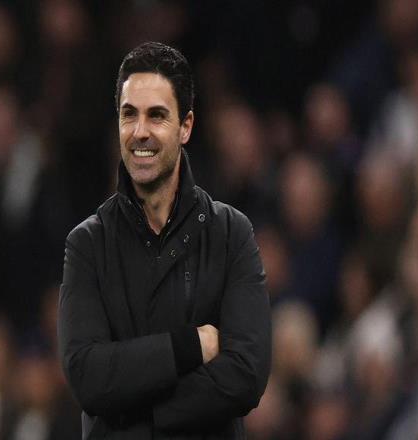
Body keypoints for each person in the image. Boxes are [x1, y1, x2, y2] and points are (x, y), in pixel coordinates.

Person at [58, 41, 271, 439]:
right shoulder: (87, 244)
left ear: (185, 126)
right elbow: (88, 377)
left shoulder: (231, 233)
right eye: (129, 115)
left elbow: (246, 374)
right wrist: (191, 346)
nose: (140, 132)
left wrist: (138, 418)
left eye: (156, 115)